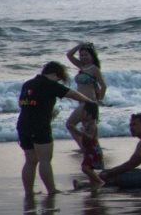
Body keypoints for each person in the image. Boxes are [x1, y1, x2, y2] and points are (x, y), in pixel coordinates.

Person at [17, 61, 99, 197]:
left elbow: (23, 104)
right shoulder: (49, 84)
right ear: (55, 74)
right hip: (40, 125)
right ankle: (51, 190)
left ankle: (29, 192)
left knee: (30, 161)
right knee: (45, 160)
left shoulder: (28, 84)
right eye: (59, 79)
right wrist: (90, 101)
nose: (59, 81)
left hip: (23, 125)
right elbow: (72, 94)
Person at [98, 113, 141, 188]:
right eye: (130, 125)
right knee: (108, 172)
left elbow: (131, 164)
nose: (131, 128)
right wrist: (110, 172)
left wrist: (110, 173)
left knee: (114, 178)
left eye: (134, 125)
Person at [64, 42, 106, 144]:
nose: (83, 57)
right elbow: (69, 55)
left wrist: (99, 100)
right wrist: (80, 46)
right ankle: (92, 148)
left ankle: (83, 146)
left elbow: (104, 86)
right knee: (88, 128)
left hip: (89, 103)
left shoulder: (94, 69)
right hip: (81, 103)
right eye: (81, 55)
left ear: (92, 56)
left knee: (70, 124)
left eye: (86, 55)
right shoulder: (82, 66)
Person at [72, 101, 105, 189]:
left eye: (84, 112)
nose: (82, 114)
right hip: (89, 150)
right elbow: (82, 135)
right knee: (89, 168)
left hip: (93, 151)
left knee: (85, 168)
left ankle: (100, 182)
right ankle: (91, 184)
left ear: (90, 114)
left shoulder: (93, 125)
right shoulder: (88, 124)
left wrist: (83, 132)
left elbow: (90, 137)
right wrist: (74, 129)